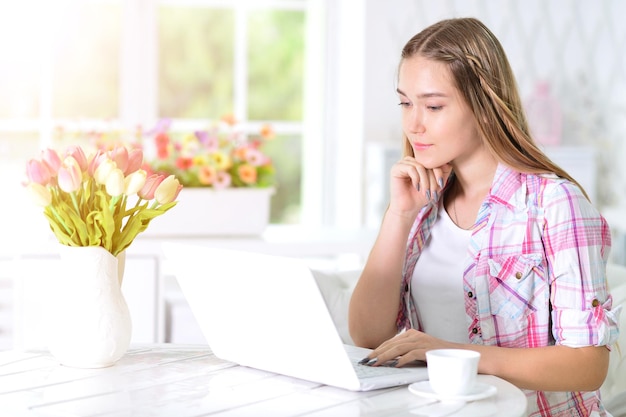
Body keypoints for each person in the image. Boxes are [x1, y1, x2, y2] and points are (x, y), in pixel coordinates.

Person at [348, 17, 620, 417]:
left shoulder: (554, 202)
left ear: (483, 103)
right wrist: (399, 215)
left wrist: (448, 353)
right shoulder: (423, 205)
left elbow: (587, 366)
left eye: (433, 105)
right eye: (405, 102)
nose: (413, 123)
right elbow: (370, 336)